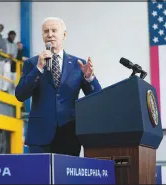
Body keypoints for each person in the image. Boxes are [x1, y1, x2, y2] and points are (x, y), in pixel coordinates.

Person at [15, 17, 102, 156]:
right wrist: (38, 68)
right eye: (45, 31)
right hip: (40, 136)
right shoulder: (32, 64)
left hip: (69, 134)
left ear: (64, 35)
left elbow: (97, 98)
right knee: (39, 177)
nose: (50, 34)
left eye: (54, 30)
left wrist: (89, 78)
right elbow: (20, 95)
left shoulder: (78, 64)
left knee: (66, 177)